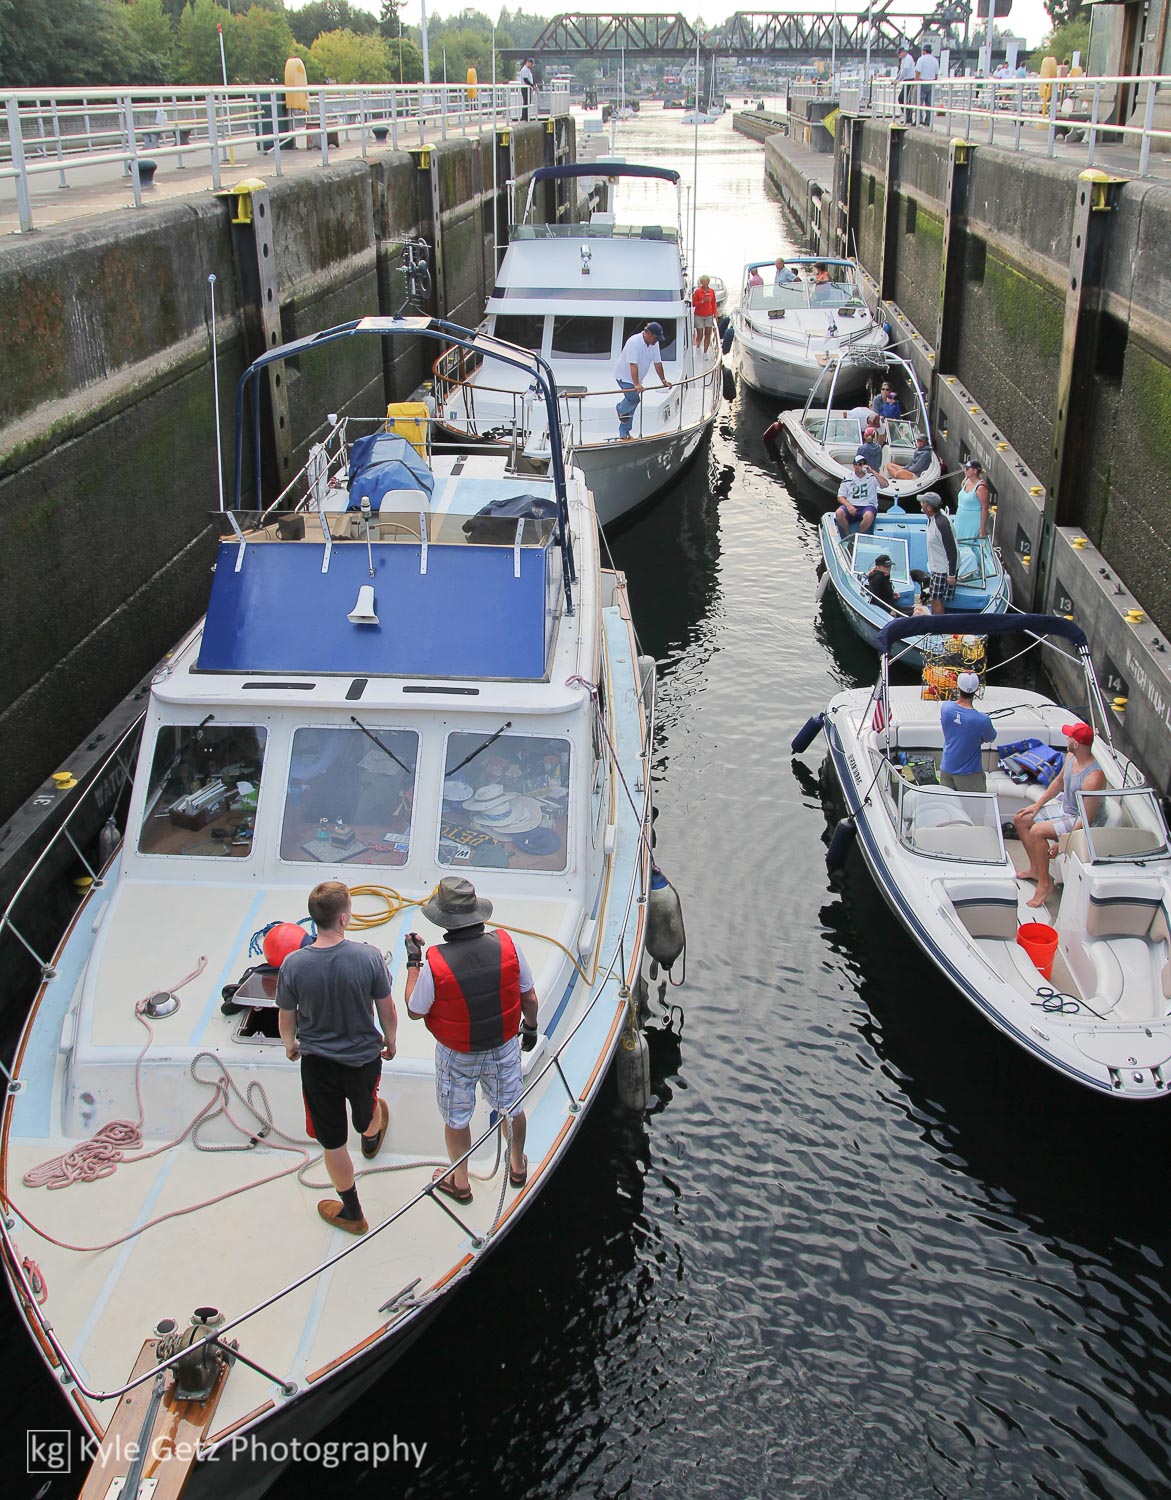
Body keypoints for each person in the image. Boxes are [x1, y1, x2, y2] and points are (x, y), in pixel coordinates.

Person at [405, 877, 539, 1201]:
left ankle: (461, 1182)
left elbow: (414, 1010)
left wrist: (413, 962)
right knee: (512, 1107)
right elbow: (529, 997)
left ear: (443, 920)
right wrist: (531, 1028)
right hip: (503, 1045)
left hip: (457, 1054)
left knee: (457, 1117)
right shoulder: (508, 944)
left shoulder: (435, 962)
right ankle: (517, 1165)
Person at [277, 881, 397, 1236]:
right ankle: (370, 1137)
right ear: (344, 918)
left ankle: (352, 1212)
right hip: (363, 1061)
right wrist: (390, 1040)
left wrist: (289, 1043)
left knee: (333, 1142)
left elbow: (286, 1015)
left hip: (318, 1066)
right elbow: (387, 1009)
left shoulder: (293, 964)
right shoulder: (369, 957)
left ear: (314, 918)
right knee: (367, 1108)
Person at [1013, 722, 1107, 908]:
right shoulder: (1071, 756)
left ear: (1076, 743)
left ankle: (1044, 884)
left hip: (1081, 820)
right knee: (1021, 819)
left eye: (1069, 736)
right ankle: (1035, 869)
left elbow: (1086, 819)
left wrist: (1063, 842)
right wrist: (1037, 805)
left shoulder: (1093, 778)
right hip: (1066, 808)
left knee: (1037, 831)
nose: (1066, 738)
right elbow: (1058, 782)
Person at [614, 321, 671, 440]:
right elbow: (633, 365)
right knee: (634, 399)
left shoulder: (654, 344)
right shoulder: (634, 342)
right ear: (648, 334)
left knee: (632, 403)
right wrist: (636, 384)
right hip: (624, 377)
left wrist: (663, 381)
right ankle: (620, 409)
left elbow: (657, 363)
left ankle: (624, 433)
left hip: (637, 379)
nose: (657, 341)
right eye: (656, 338)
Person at [939, 671, 995, 792]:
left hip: (946, 769)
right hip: (969, 775)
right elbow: (991, 737)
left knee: (948, 803)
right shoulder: (982, 720)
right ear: (976, 690)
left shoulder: (945, 708)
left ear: (958, 688)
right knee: (976, 805)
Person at [920, 492, 957, 613]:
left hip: (943, 569)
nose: (921, 504)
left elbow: (951, 550)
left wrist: (951, 574)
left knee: (936, 599)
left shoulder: (941, 524)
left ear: (929, 508)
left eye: (923, 502)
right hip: (937, 567)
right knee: (934, 596)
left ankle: (938, 623)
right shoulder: (933, 517)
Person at [835, 455, 880, 538]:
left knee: (869, 515)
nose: (862, 466)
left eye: (864, 464)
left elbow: (885, 484)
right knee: (839, 513)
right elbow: (840, 497)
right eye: (860, 464)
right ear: (854, 466)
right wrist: (849, 506)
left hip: (867, 505)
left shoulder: (872, 477)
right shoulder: (848, 478)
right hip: (852, 505)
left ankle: (858, 535)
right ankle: (847, 535)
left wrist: (872, 471)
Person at [955, 459, 992, 541]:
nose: (965, 470)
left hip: (972, 522)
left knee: (967, 542)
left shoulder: (981, 488)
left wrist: (982, 529)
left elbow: (985, 508)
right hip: (960, 520)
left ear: (975, 471)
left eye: (967, 469)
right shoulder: (967, 481)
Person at [692, 274, 718, 352]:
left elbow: (713, 303)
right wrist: (703, 301)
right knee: (700, 334)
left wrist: (715, 314)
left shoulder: (711, 291)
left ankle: (705, 352)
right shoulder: (697, 292)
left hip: (709, 315)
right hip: (699, 315)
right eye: (703, 282)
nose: (705, 283)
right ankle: (698, 345)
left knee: (708, 334)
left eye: (706, 281)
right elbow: (694, 304)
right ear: (701, 282)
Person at [915, 42, 940, 125]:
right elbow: (936, 74)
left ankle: (919, 120)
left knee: (919, 103)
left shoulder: (921, 59)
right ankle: (928, 121)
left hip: (922, 82)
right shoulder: (935, 60)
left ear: (924, 51)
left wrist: (915, 82)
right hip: (931, 82)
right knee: (929, 104)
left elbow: (918, 72)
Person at [897, 45, 917, 124]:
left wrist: (898, 80)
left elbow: (905, 71)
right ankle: (907, 117)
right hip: (906, 81)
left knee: (904, 99)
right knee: (903, 99)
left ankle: (908, 118)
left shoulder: (908, 58)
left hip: (910, 80)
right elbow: (901, 71)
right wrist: (896, 78)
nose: (898, 55)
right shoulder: (903, 59)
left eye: (899, 53)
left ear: (904, 52)